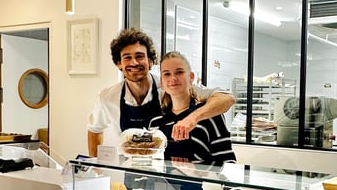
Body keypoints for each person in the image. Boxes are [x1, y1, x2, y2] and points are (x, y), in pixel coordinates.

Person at [87, 28, 235, 156]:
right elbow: (94, 130)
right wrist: (95, 165)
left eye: (139, 56)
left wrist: (192, 119)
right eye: (127, 58)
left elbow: (226, 98)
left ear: (151, 61)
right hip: (130, 172)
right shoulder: (107, 98)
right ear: (119, 63)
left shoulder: (169, 84)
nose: (134, 62)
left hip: (167, 170)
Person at [149, 50, 259, 190]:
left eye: (179, 72)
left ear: (191, 77)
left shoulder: (208, 116)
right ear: (162, 82)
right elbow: (147, 166)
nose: (173, 78)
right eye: (166, 74)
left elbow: (226, 162)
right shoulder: (156, 122)